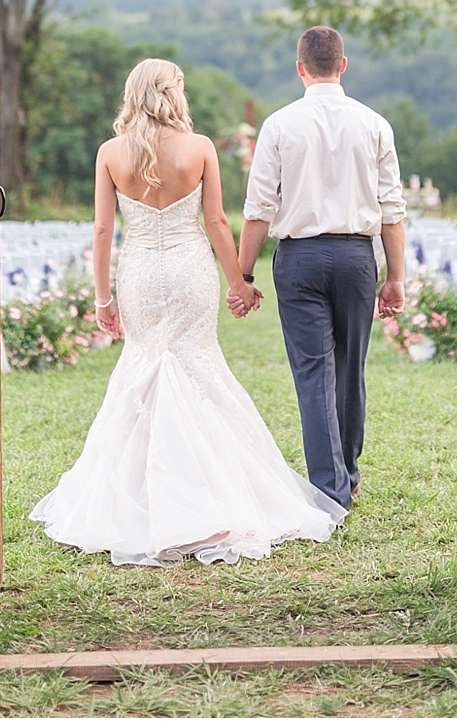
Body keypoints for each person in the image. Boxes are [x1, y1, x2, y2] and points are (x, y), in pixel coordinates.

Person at [28, 58, 345, 566]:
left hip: (138, 274)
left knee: (143, 363)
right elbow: (217, 221)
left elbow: (102, 231)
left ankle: (140, 503)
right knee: (197, 364)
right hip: (188, 269)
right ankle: (211, 496)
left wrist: (102, 297)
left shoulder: (110, 153)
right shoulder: (199, 149)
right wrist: (238, 283)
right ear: (170, 93)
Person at [239, 25, 407, 510]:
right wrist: (394, 277)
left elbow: (258, 210)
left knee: (314, 372)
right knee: (350, 369)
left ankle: (331, 490)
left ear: (300, 68)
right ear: (343, 64)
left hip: (299, 260)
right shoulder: (375, 124)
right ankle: (348, 474)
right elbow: (391, 210)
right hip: (357, 257)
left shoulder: (278, 125)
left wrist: (244, 276)